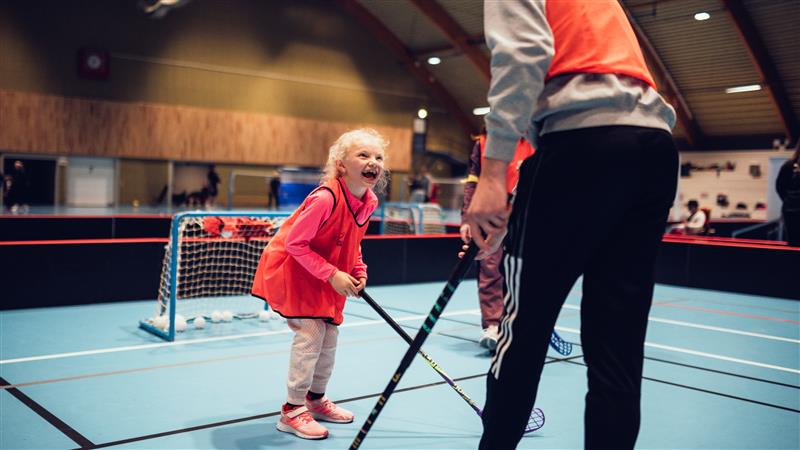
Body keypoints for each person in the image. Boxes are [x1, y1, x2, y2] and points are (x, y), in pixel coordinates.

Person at [465, 2, 678, 449]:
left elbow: (525, 53)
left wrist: (493, 174)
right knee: (617, 345)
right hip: (654, 147)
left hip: (580, 142)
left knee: (522, 334)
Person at [251, 128, 388, 440]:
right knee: (311, 334)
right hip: (296, 272)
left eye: (378, 157)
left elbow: (355, 243)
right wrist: (332, 274)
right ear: (341, 164)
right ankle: (292, 410)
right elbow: (296, 245)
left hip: (325, 276)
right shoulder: (325, 199)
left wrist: (358, 269)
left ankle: (315, 399)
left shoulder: (368, 201)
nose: (373, 162)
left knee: (329, 337)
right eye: (363, 155)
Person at [461, 130, 534, 351]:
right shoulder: (482, 142)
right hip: (490, 216)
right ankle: (493, 326)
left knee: (524, 272)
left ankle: (520, 324)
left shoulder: (536, 137)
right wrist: (467, 217)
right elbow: (473, 181)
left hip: (528, 215)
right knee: (490, 270)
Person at [776, 142, 800, 246]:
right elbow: (779, 187)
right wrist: (789, 201)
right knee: (794, 243)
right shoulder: (788, 165)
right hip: (791, 212)